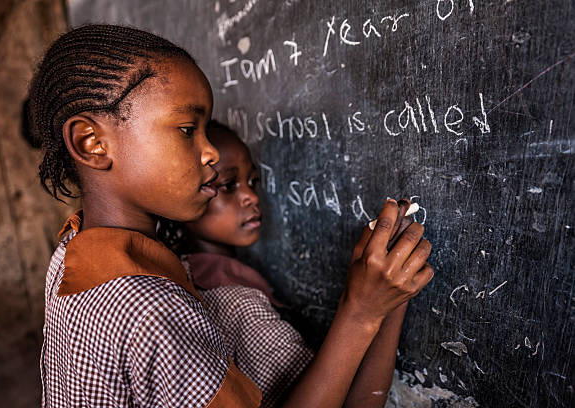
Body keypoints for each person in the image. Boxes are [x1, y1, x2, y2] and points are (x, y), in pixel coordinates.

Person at [30, 24, 433, 408]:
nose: (210, 153)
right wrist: (360, 311)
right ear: (91, 142)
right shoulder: (152, 308)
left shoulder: (74, 253)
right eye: (188, 129)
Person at [169, 122, 423, 407]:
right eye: (228, 185)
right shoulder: (236, 303)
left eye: (253, 182)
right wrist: (373, 307)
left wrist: (388, 296)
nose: (251, 197)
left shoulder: (184, 274)